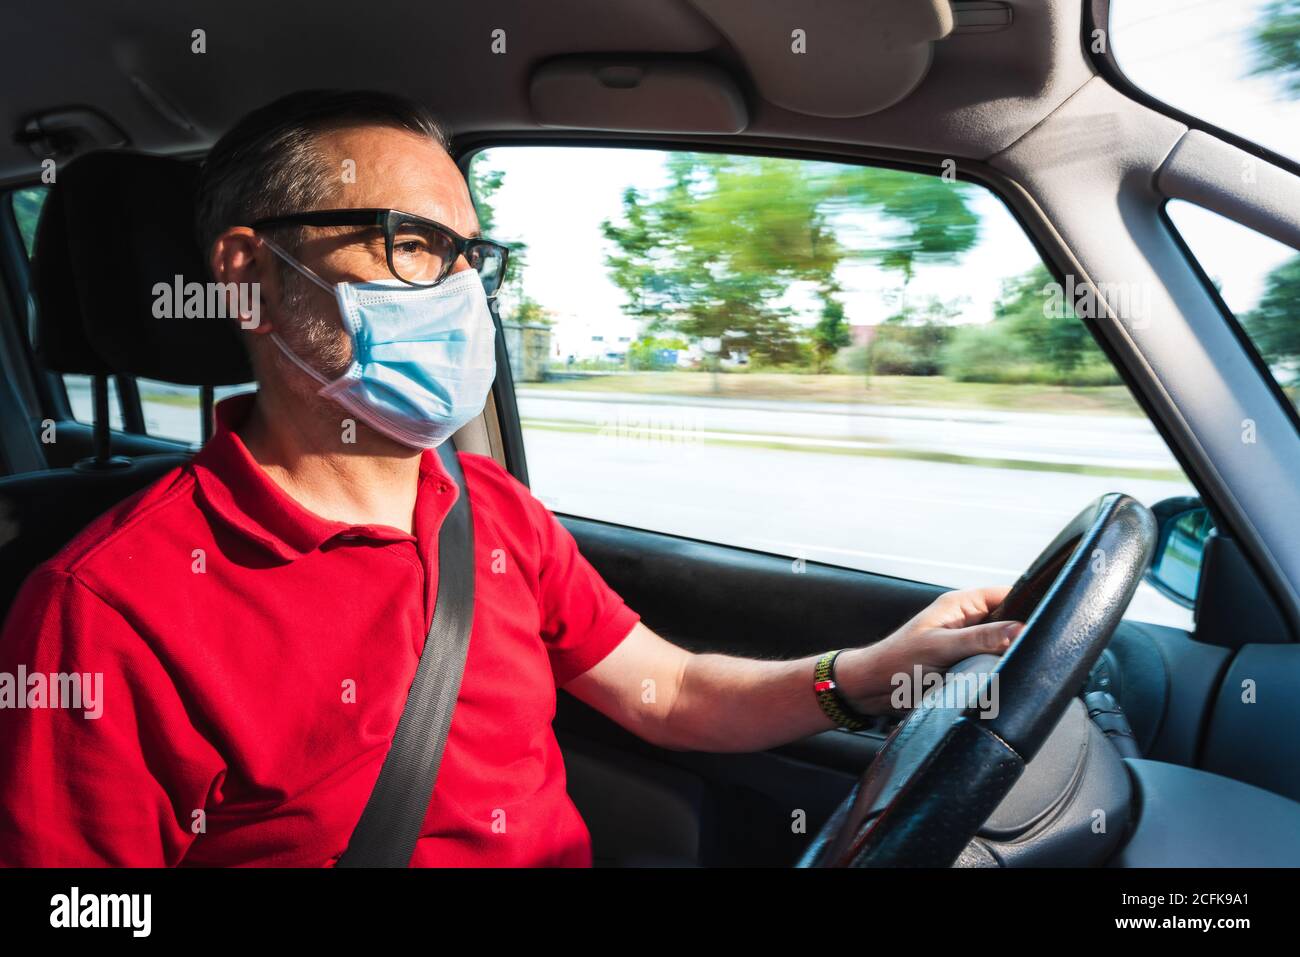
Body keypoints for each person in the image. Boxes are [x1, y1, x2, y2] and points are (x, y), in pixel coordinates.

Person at [0, 90, 1021, 866]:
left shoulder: (486, 510)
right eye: (410, 246)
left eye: (468, 258)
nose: (455, 296)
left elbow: (667, 695)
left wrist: (868, 673)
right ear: (246, 272)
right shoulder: (104, 608)